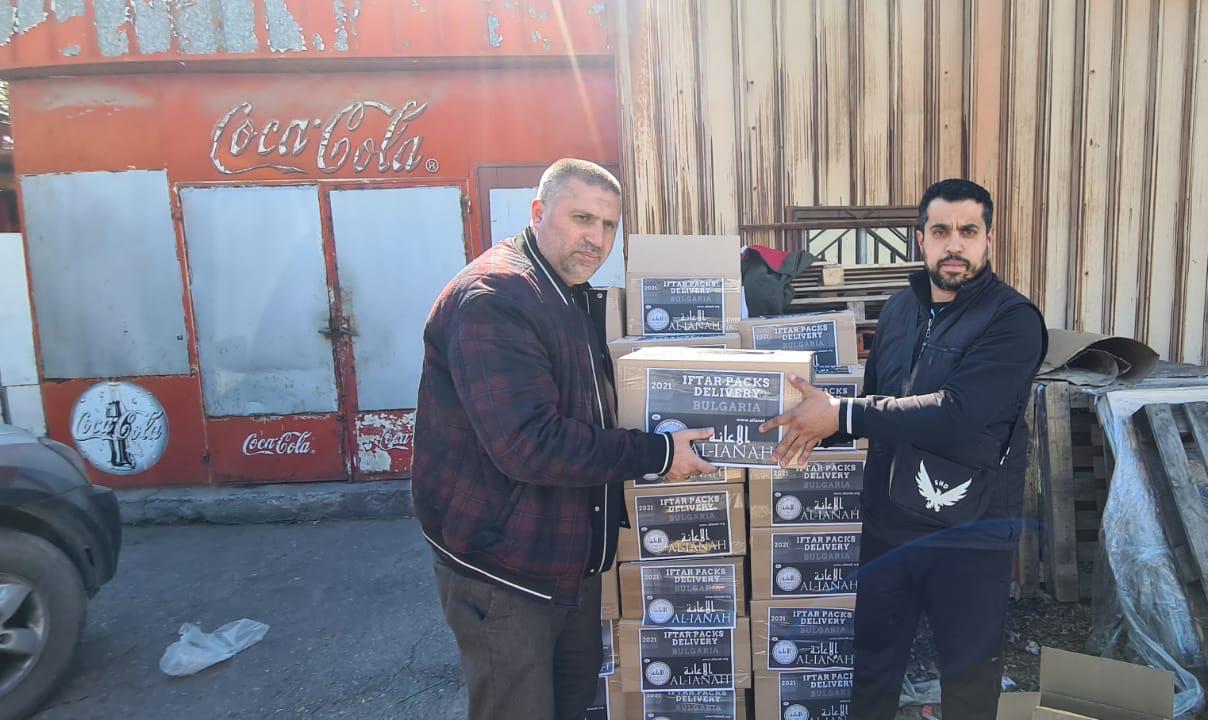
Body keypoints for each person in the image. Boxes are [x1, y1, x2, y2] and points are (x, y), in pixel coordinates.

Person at [411, 158, 716, 720]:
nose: (595, 238)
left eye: (607, 225)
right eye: (581, 218)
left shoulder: (564, 291)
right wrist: (660, 451)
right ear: (538, 212)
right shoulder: (496, 299)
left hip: (564, 560)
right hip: (505, 568)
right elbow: (530, 444)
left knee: (571, 703)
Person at [761, 178, 1047, 719]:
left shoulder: (1013, 321)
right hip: (890, 521)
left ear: (990, 238)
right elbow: (880, 406)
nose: (954, 245)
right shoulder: (898, 312)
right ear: (921, 239)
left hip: (972, 528)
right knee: (873, 666)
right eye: (941, 231)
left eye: (968, 231)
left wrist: (840, 414)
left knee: (967, 678)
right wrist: (812, 422)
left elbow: (959, 413)